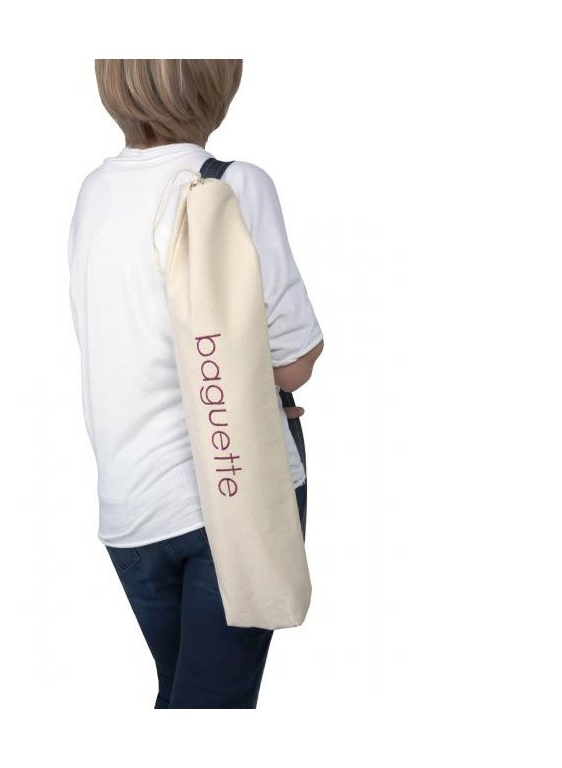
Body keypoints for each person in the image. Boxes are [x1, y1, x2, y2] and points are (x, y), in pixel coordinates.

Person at [67, 60, 325, 709]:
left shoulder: (94, 192)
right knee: (214, 708)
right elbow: (295, 361)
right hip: (232, 500)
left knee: (182, 697)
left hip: (129, 515)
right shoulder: (231, 185)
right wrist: (251, 378)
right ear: (217, 81)